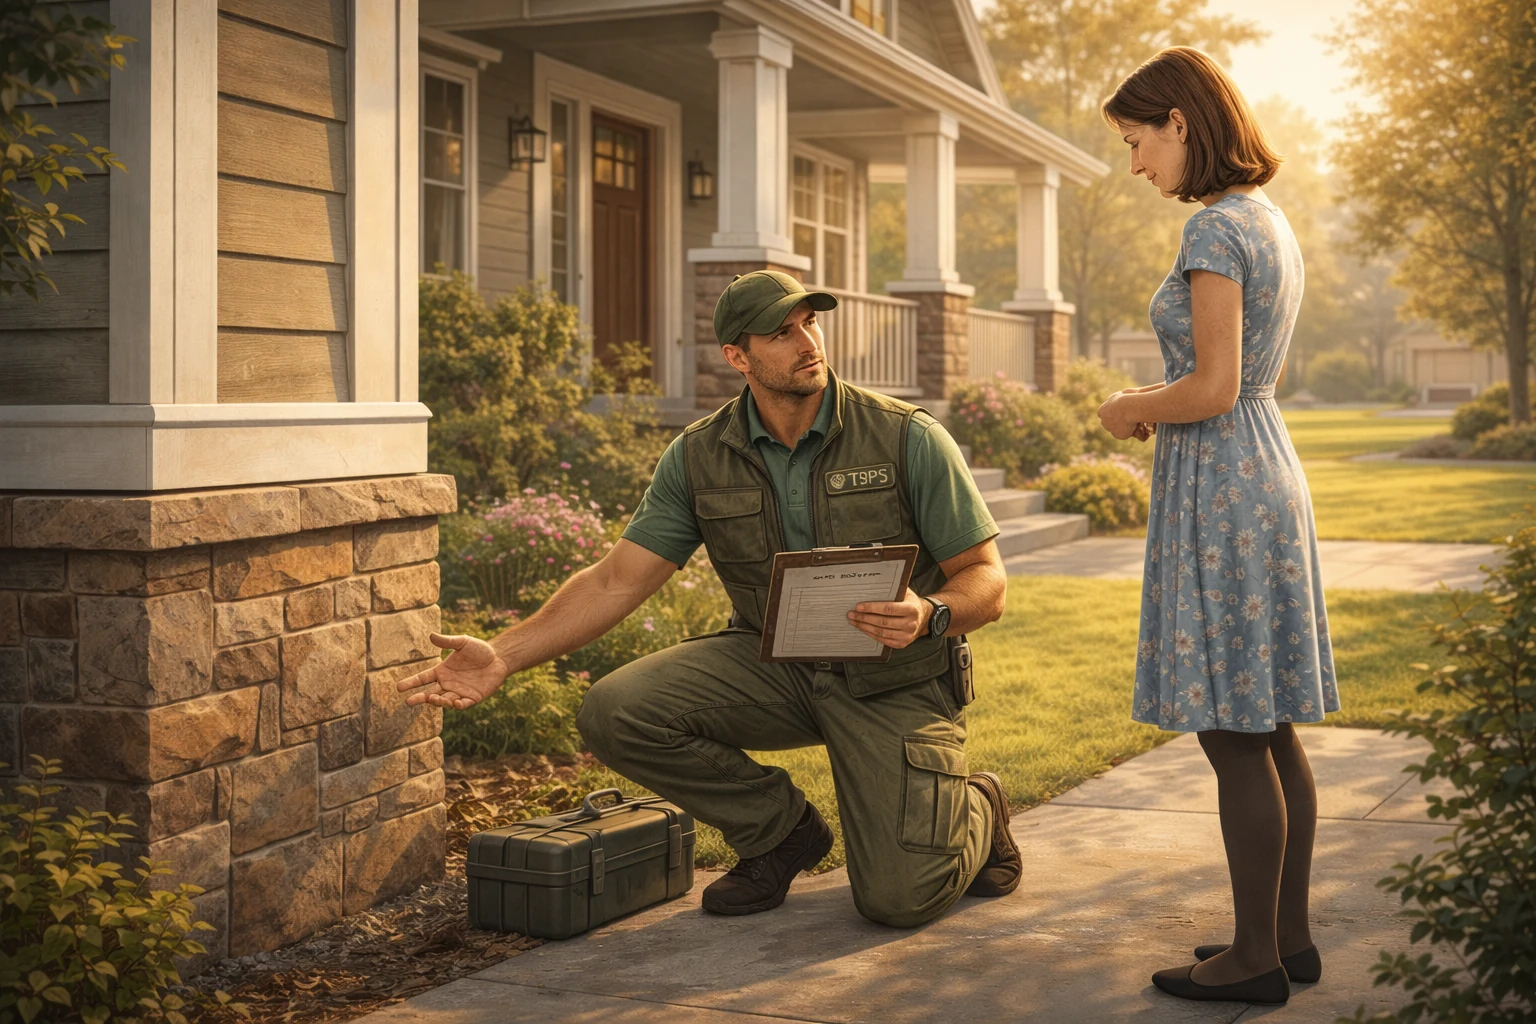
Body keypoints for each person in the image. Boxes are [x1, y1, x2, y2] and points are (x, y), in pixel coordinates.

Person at [397, 269, 1021, 928]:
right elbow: (616, 579)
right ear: (737, 357)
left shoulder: (905, 436)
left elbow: (987, 577)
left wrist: (931, 613)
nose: (807, 342)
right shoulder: (699, 456)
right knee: (618, 709)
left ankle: (978, 805)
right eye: (781, 333)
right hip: (775, 665)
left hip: (895, 678)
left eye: (810, 323)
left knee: (900, 899)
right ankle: (779, 834)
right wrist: (502, 655)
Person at [1095, 47, 1339, 1007]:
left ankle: (1252, 961)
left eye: (1135, 142)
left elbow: (1211, 386)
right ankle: (1287, 936)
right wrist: (1173, 402)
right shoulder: (1267, 220)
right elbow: (1238, 386)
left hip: (1224, 485)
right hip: (1262, 466)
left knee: (1233, 734)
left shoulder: (1213, 232)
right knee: (1267, 722)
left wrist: (1128, 406)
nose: (1135, 166)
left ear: (1180, 124)